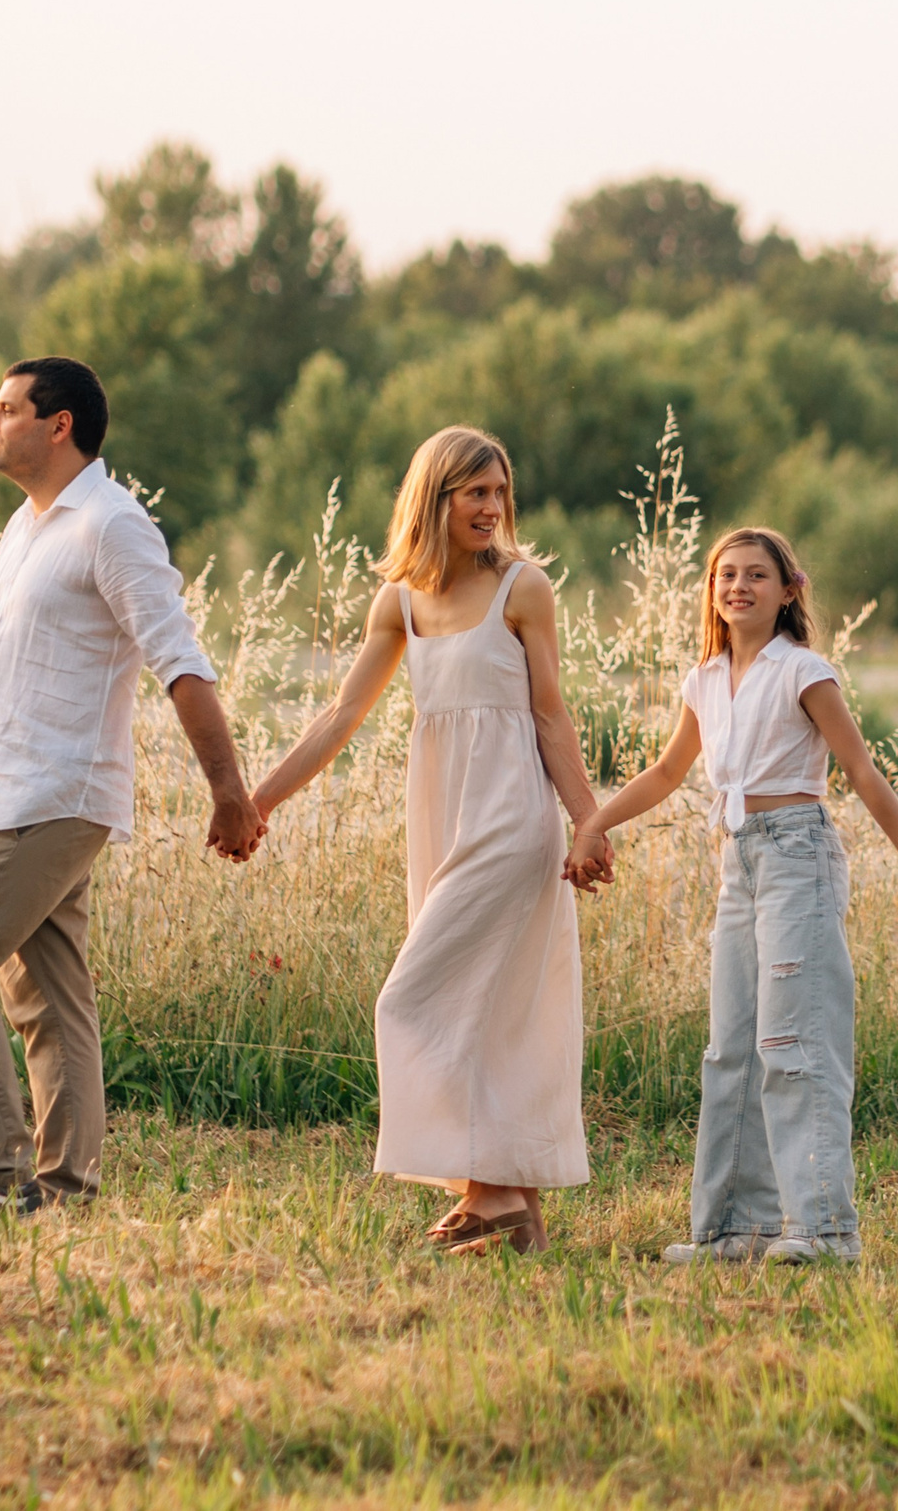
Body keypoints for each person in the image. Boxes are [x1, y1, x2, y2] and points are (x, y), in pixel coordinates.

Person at [0, 356, 261, 1218]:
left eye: (6, 408)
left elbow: (179, 659)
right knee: (50, 997)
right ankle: (65, 1192)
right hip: (4, 788)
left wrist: (229, 790)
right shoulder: (24, 528)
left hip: (56, 791)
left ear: (58, 424)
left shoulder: (113, 525)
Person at [252, 427, 605, 1255]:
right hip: (442, 822)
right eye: (475, 492)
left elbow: (551, 713)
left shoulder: (524, 587)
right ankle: (508, 1204)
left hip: (510, 819)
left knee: (411, 1000)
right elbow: (341, 715)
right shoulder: (399, 601)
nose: (492, 507)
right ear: (435, 497)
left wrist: (588, 822)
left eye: (500, 492)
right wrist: (256, 800)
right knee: (485, 1012)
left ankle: (493, 1192)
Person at [567, 528, 898, 1267]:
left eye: (756, 575)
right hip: (737, 863)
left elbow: (863, 772)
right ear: (712, 589)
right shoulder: (705, 679)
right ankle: (733, 1231)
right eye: (726, 574)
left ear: (787, 591)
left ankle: (824, 1230)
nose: (738, 586)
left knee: (794, 1043)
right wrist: (593, 824)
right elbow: (666, 772)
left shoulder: (804, 671)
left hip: (797, 856)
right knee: (733, 1048)